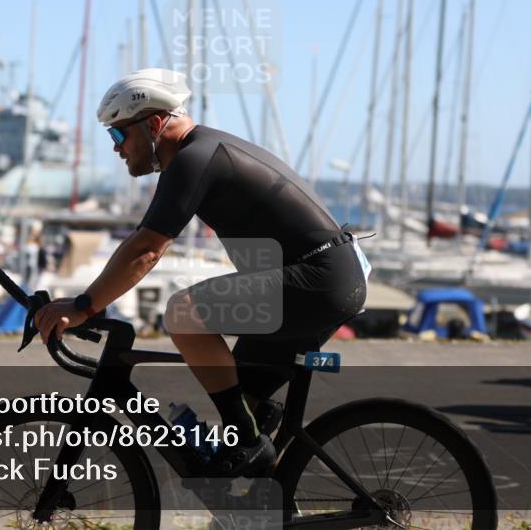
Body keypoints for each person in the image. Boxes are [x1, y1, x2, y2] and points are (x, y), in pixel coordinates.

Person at [34, 68, 368, 478]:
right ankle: (260, 505)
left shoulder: (195, 158)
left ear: (154, 124)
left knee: (185, 313)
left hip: (319, 279)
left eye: (119, 135)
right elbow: (144, 244)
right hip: (326, 278)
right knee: (242, 408)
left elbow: (146, 249)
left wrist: (85, 305)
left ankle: (249, 443)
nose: (117, 149)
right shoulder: (202, 152)